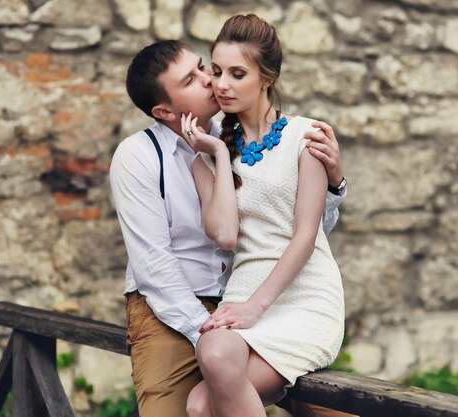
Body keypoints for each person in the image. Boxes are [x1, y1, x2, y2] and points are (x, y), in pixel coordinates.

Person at [109, 38, 350, 417]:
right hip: (171, 310)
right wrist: (209, 330)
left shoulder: (239, 135)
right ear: (164, 110)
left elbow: (293, 232)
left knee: (330, 406)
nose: (210, 81)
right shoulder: (138, 156)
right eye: (191, 79)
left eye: (204, 67)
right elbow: (154, 267)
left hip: (253, 301)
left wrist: (334, 186)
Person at [179, 14, 346, 417]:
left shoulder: (305, 137)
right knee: (204, 382)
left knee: (203, 407)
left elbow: (306, 235)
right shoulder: (212, 145)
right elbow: (224, 235)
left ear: (266, 77)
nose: (221, 84)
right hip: (244, 288)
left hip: (303, 295)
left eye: (238, 73)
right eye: (216, 71)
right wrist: (217, 153)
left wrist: (257, 306)